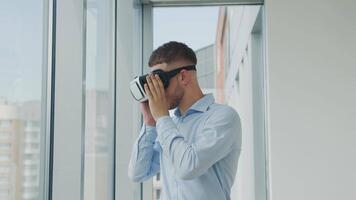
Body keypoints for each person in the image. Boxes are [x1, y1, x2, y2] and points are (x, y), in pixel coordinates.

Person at [128, 41, 241, 200]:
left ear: (183, 76)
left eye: (160, 81)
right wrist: (150, 123)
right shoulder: (168, 124)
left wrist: (161, 118)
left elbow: (188, 167)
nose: (157, 90)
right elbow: (137, 173)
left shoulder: (223, 117)